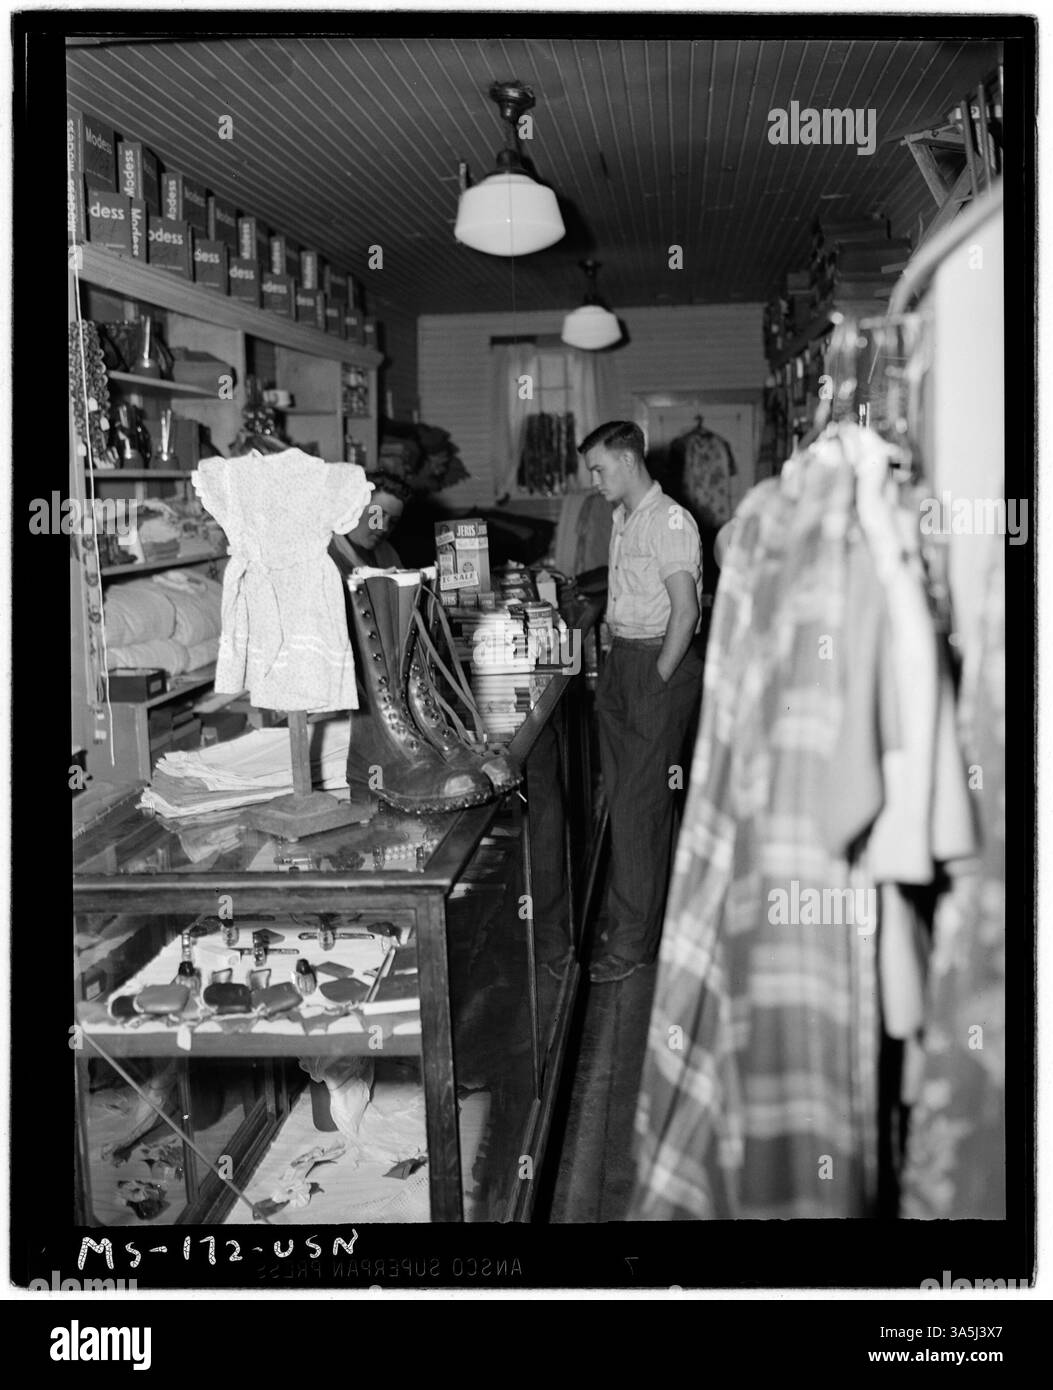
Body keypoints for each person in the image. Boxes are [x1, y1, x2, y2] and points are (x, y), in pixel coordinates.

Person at [580, 420, 704, 984]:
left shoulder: (670, 521)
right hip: (624, 660)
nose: (595, 480)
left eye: (599, 469)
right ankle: (649, 923)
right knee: (630, 802)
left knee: (636, 807)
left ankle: (631, 944)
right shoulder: (624, 518)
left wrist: (656, 678)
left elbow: (687, 610)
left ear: (628, 461)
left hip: (658, 663)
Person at [328, 470, 412, 574]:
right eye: (378, 515)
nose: (385, 528)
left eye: (393, 522)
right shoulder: (325, 552)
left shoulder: (387, 553)